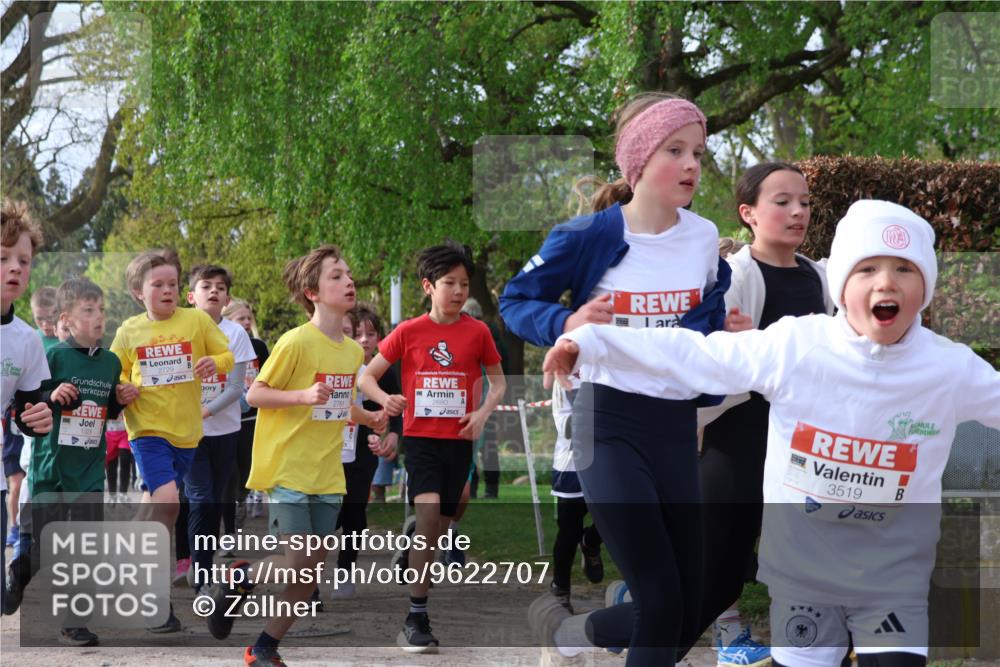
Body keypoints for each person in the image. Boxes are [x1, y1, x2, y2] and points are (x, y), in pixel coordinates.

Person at [544, 199, 1000, 667]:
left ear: (925, 286)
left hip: (893, 582)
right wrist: (595, 344)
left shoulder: (950, 368)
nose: (886, 281)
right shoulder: (797, 346)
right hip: (805, 580)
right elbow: (695, 356)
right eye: (867, 269)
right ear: (842, 286)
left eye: (904, 268)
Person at [500, 93, 735, 667]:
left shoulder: (704, 238)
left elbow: (705, 315)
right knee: (659, 604)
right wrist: (565, 322)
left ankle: (566, 635)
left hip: (675, 427)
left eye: (698, 153)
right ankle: (570, 633)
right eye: (674, 150)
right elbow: (514, 301)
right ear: (637, 161)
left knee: (685, 605)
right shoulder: (586, 237)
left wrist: (720, 335)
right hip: (607, 421)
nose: (691, 166)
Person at [205, 244, 385, 667]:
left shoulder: (352, 352)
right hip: (288, 468)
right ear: (312, 292)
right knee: (296, 563)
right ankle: (240, 578)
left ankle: (263, 647)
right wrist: (302, 394)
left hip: (328, 473)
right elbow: (255, 393)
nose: (348, 281)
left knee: (309, 573)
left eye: (348, 273)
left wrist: (370, 418)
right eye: (336, 276)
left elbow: (336, 403)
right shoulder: (295, 342)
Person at [695, 162, 834, 667]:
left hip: (804, 447)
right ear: (748, 213)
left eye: (805, 202)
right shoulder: (731, 279)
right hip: (739, 438)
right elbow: (706, 363)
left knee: (803, 554)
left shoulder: (822, 277)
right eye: (782, 202)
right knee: (721, 569)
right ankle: (722, 631)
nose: (798, 212)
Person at [360, 242, 506, 654]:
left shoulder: (478, 332)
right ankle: (416, 615)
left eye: (463, 284)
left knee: (449, 513)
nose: (459, 291)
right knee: (428, 515)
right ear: (428, 286)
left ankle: (416, 542)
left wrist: (481, 414)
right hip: (421, 440)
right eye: (449, 283)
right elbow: (367, 378)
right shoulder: (409, 331)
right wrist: (385, 400)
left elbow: (499, 384)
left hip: (459, 440)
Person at [110, 248, 235, 632]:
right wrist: (121, 390)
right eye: (158, 285)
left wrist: (216, 363)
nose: (168, 291)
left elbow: (226, 353)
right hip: (147, 431)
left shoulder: (196, 320)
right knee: (169, 503)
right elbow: (116, 375)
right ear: (137, 291)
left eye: (173, 284)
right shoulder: (129, 331)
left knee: (152, 508)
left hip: (187, 433)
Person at [13, 278, 134, 645]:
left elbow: (106, 410)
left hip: (89, 471)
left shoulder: (111, 362)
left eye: (101, 310)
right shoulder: (52, 356)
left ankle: (75, 622)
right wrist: (52, 394)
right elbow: (26, 404)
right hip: (51, 468)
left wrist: (120, 399)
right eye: (88, 310)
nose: (98, 317)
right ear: (66, 318)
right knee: (37, 546)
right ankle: (15, 578)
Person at [184, 265, 256, 593]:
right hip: (186, 432)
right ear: (191, 296)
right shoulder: (179, 331)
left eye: (221, 287)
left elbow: (237, 388)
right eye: (206, 286)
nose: (214, 291)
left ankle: (204, 563)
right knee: (200, 497)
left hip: (225, 431)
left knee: (216, 500)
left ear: (227, 298)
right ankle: (200, 574)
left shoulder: (236, 334)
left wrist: (206, 409)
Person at [0, 199, 54, 615]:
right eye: (3, 258)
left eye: (24, 259)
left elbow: (30, 410)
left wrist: (38, 418)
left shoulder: (27, 340)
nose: (16, 268)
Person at [330, 304, 401, 600]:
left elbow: (396, 410)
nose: (363, 340)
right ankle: (307, 581)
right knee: (325, 515)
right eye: (355, 333)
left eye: (370, 334)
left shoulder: (383, 372)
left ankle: (345, 571)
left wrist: (392, 436)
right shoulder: (330, 364)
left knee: (355, 512)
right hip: (328, 448)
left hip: (362, 449)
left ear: (379, 338)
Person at [548, 377, 604, 614]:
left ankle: (590, 543)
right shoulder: (564, 379)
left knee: (616, 516)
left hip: (606, 461)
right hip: (571, 465)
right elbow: (567, 426)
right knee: (569, 532)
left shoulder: (608, 368)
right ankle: (561, 588)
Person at [221, 298, 269, 532]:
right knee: (228, 477)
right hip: (226, 420)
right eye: (241, 319)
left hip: (253, 421)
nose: (247, 323)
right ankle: (229, 530)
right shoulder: (217, 347)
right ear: (228, 321)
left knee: (246, 473)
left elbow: (271, 378)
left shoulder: (258, 348)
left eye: (249, 318)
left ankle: (242, 498)